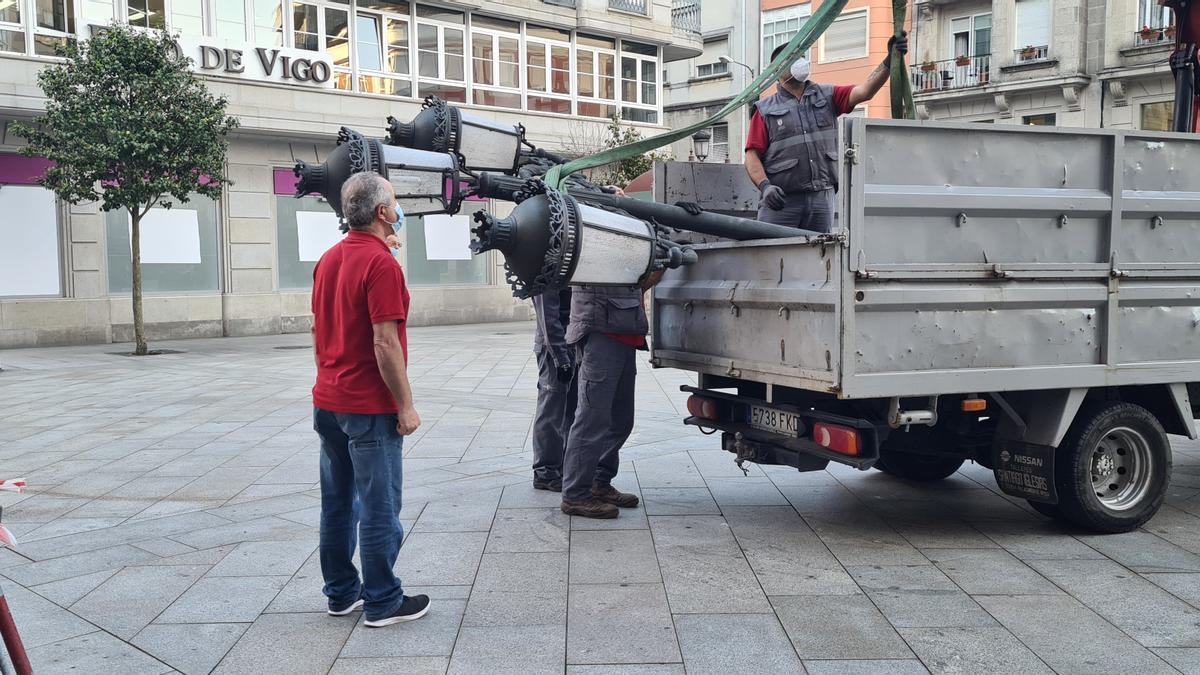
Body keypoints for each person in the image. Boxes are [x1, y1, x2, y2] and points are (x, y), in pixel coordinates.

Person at [311, 171, 429, 627]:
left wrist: (381, 248)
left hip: (329, 400)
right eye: (395, 202)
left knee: (338, 503)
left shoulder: (329, 258)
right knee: (380, 506)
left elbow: (324, 325)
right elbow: (385, 343)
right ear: (383, 212)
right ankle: (382, 599)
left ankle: (341, 593)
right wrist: (405, 404)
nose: (398, 209)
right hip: (368, 406)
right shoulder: (381, 266)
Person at [745, 35, 908, 232]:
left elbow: (865, 91)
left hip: (821, 197)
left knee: (819, 258)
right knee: (772, 255)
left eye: (802, 57)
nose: (801, 62)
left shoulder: (827, 95)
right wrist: (765, 187)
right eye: (793, 59)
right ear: (777, 69)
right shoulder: (765, 109)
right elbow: (752, 155)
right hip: (782, 200)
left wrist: (889, 61)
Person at [559, 271, 663, 519]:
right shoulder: (601, 240)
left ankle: (598, 481)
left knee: (621, 420)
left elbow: (638, 283)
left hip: (623, 330)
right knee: (591, 420)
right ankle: (575, 494)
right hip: (601, 331)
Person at [531, 286, 576, 492]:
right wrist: (560, 357)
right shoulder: (546, 267)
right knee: (551, 410)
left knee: (569, 410)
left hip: (573, 344)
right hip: (555, 349)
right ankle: (545, 471)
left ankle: (561, 467)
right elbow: (547, 317)